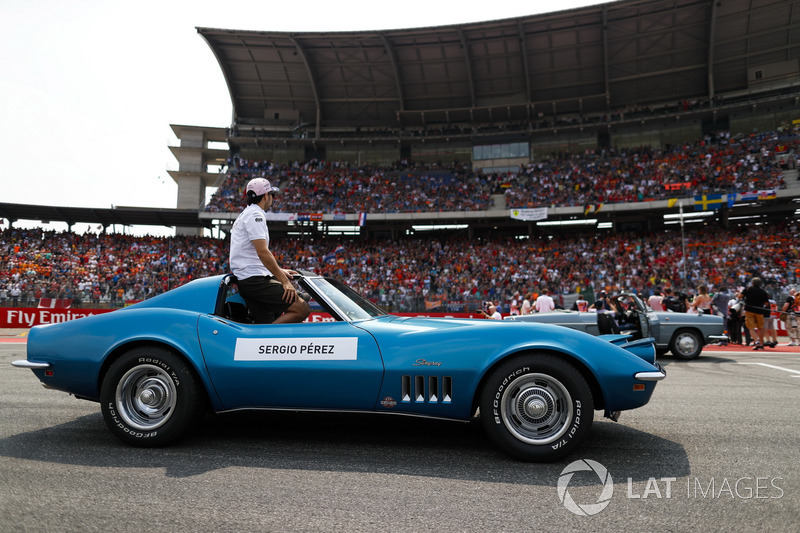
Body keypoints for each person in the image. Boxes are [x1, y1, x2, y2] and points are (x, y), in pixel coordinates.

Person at [229, 178, 310, 324]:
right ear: (266, 196)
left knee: (266, 323)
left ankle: (262, 340)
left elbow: (254, 255)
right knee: (302, 308)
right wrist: (284, 281)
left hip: (251, 280)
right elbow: (262, 252)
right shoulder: (255, 215)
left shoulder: (247, 214)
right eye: (272, 194)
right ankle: (265, 340)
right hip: (254, 281)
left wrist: (278, 270)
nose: (273, 198)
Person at [742, 277, 771, 350]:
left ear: (752, 283)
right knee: (760, 328)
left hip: (749, 310)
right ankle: (761, 344)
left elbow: (740, 296)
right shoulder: (763, 291)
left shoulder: (748, 289)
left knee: (751, 327)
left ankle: (756, 341)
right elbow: (766, 303)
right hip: (759, 311)